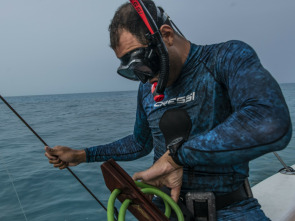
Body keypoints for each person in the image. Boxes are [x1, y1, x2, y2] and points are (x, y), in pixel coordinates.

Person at [45, 0, 292, 220]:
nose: (145, 79)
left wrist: (176, 157)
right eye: (133, 72)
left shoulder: (225, 57)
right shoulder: (147, 89)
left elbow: (270, 122)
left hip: (230, 208)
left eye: (144, 64)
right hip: (162, 209)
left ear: (167, 35)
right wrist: (82, 155)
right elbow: (140, 143)